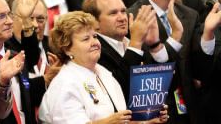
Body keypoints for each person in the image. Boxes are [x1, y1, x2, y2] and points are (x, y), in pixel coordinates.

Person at [39, 12, 169, 124]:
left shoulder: (103, 72)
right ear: (67, 49)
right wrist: (108, 122)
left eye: (94, 36)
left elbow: (120, 119)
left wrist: (146, 121)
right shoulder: (64, 83)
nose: (94, 42)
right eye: (85, 39)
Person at [128, 0, 199, 123]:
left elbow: (197, 65)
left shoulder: (190, 15)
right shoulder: (133, 17)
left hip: (190, 110)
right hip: (154, 112)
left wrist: (209, 37)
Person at [83, 0, 176, 99]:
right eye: (113, 13)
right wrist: (135, 43)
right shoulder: (94, 50)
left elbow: (168, 85)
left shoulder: (137, 42)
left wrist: (155, 45)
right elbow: (118, 90)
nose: (122, 18)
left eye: (123, 11)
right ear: (95, 22)